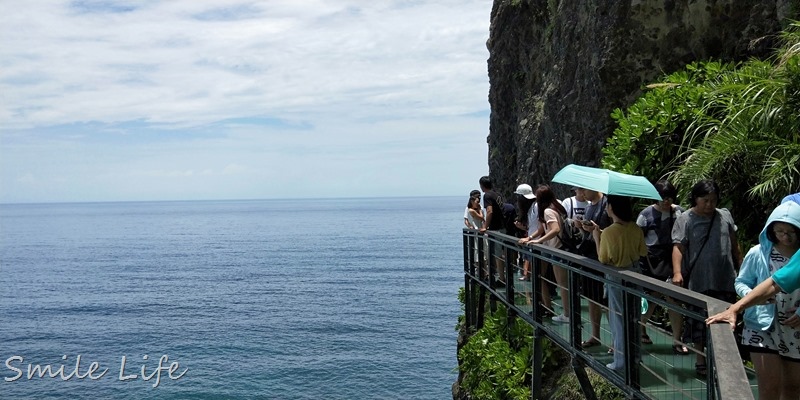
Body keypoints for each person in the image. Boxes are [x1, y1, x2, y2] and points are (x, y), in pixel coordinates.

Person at [720, 201, 800, 400]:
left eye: (791, 231)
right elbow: (742, 282)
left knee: (793, 387)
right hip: (761, 325)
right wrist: (751, 299)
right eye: (780, 231)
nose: (785, 236)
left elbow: (776, 283)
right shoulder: (758, 253)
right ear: (771, 229)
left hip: (794, 328)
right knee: (769, 387)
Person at [671, 179, 741, 376]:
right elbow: (678, 246)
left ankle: (725, 362)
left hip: (725, 279)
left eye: (713, 200)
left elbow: (734, 245)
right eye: (705, 200)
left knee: (728, 321)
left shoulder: (724, 216)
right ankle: (700, 359)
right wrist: (677, 272)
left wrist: (741, 266)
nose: (710, 205)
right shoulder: (686, 219)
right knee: (700, 323)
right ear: (695, 199)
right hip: (699, 280)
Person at [592, 195, 647, 371]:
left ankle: (620, 361)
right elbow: (643, 252)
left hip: (616, 277)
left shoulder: (608, 232)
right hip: (635, 274)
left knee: (618, 319)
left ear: (612, 208)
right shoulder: (635, 228)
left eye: (607, 205)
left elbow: (603, 258)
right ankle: (636, 357)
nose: (606, 208)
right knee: (634, 318)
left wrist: (596, 237)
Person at [636, 180, 688, 354]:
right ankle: (641, 327)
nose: (666, 201)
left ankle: (676, 339)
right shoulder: (645, 215)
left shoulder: (679, 212)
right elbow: (638, 239)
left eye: (669, 198)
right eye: (663, 198)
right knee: (651, 297)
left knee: (674, 299)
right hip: (652, 261)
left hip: (674, 260)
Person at [523, 185, 570, 323]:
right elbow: (540, 228)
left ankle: (567, 315)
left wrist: (539, 241)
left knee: (563, 284)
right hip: (557, 249)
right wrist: (531, 238)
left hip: (557, 249)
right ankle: (566, 313)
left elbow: (554, 229)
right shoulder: (556, 207)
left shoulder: (548, 211)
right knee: (562, 283)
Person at [575, 187, 611, 348]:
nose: (581, 194)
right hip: (589, 255)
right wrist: (582, 228)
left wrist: (598, 230)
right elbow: (588, 234)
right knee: (591, 297)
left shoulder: (607, 204)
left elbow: (614, 230)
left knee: (608, 301)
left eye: (583, 190)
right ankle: (595, 335)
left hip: (604, 256)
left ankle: (615, 341)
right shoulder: (589, 207)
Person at [479, 176, 506, 282]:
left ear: (482, 185)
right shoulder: (497, 194)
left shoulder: (487, 195)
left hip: (496, 228)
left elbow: (489, 211)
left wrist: (485, 227)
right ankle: (499, 275)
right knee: (499, 253)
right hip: (502, 226)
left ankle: (502, 279)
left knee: (497, 254)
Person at [513, 184, 538, 281]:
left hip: (535, 241)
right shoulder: (531, 208)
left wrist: (529, 237)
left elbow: (539, 227)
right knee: (528, 257)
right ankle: (527, 275)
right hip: (532, 240)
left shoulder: (535, 207)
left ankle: (527, 276)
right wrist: (525, 228)